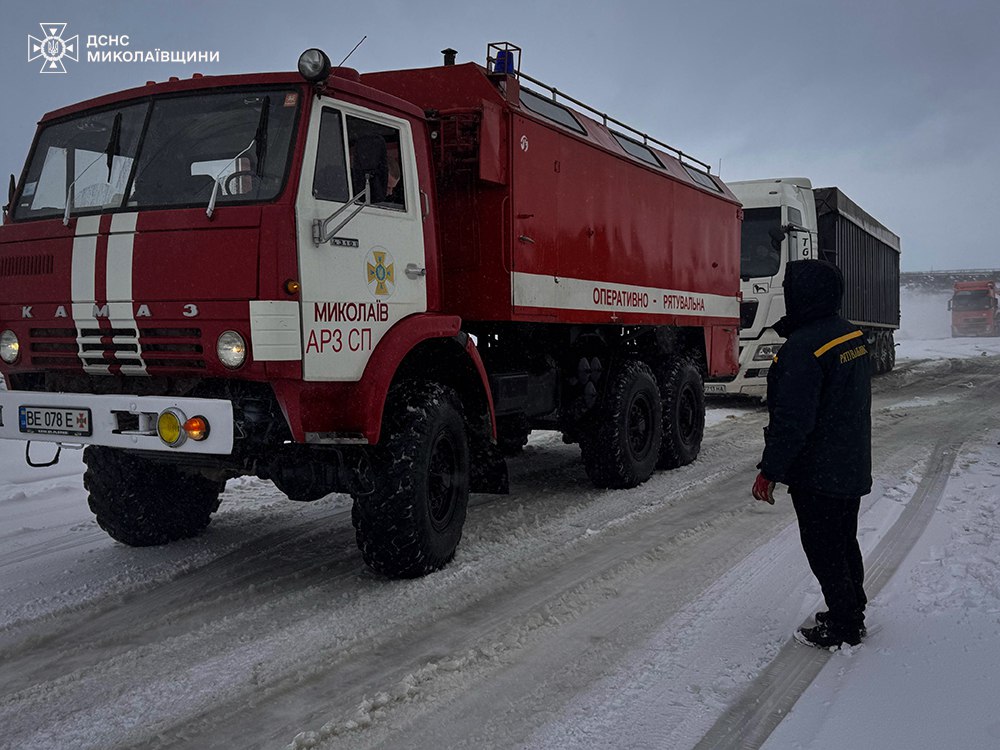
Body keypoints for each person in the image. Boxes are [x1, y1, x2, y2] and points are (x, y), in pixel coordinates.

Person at [751, 259, 872, 649]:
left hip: (820, 471)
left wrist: (769, 471)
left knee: (824, 548)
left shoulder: (803, 349)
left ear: (802, 295)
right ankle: (853, 608)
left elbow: (793, 421)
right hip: (849, 462)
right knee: (844, 540)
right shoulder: (848, 335)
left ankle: (843, 626)